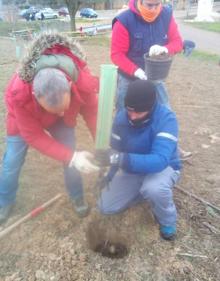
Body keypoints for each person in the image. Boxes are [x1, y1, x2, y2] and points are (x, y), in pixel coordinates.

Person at [0, 32, 100, 224]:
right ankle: (5, 200)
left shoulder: (82, 80)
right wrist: (71, 157)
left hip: (55, 119)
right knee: (12, 161)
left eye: (64, 108)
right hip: (25, 118)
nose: (61, 113)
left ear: (70, 85)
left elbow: (92, 113)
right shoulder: (19, 93)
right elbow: (34, 136)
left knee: (69, 151)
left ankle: (76, 195)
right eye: (55, 110)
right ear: (35, 95)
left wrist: (101, 143)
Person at [96, 80, 181, 240]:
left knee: (154, 188)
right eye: (129, 110)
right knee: (105, 206)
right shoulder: (122, 118)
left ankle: (167, 221)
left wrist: (120, 158)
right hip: (133, 168)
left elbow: (160, 160)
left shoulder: (166, 119)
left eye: (138, 112)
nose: (132, 116)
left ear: (150, 107)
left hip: (163, 168)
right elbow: (116, 151)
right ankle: (141, 192)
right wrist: (109, 174)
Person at [111, 0, 183, 111]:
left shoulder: (166, 16)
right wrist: (136, 71)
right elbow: (116, 54)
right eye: (149, 5)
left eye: (157, 5)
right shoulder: (124, 20)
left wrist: (165, 49)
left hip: (155, 76)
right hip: (128, 77)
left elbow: (177, 42)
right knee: (124, 113)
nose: (153, 9)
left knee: (165, 112)